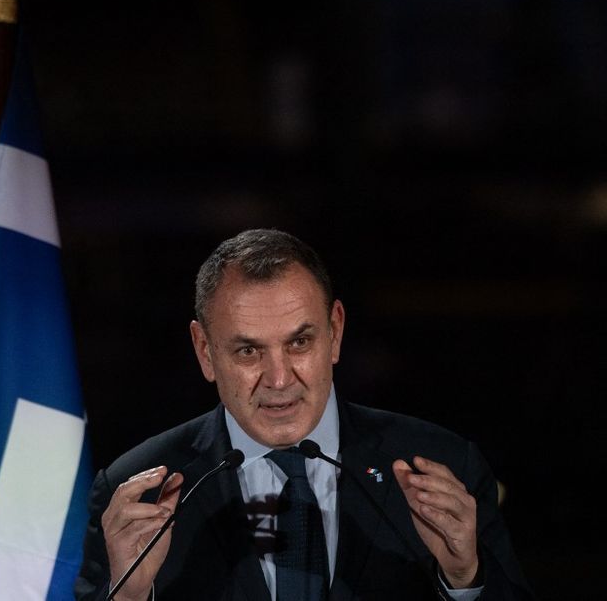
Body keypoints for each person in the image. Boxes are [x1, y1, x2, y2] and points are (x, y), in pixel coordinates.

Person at [75, 229, 533, 600]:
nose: (278, 379)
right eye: (248, 350)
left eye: (299, 343)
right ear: (205, 352)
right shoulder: (138, 491)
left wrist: (465, 579)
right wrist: (128, 597)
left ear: (334, 333)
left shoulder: (442, 464)